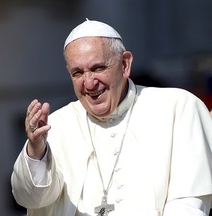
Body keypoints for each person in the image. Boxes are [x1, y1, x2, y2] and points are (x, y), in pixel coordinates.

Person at [11, 19, 212, 216]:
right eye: (78, 73)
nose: (89, 83)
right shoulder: (56, 126)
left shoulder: (178, 108)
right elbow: (31, 200)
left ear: (125, 64)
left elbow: (189, 203)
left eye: (98, 68)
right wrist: (36, 152)